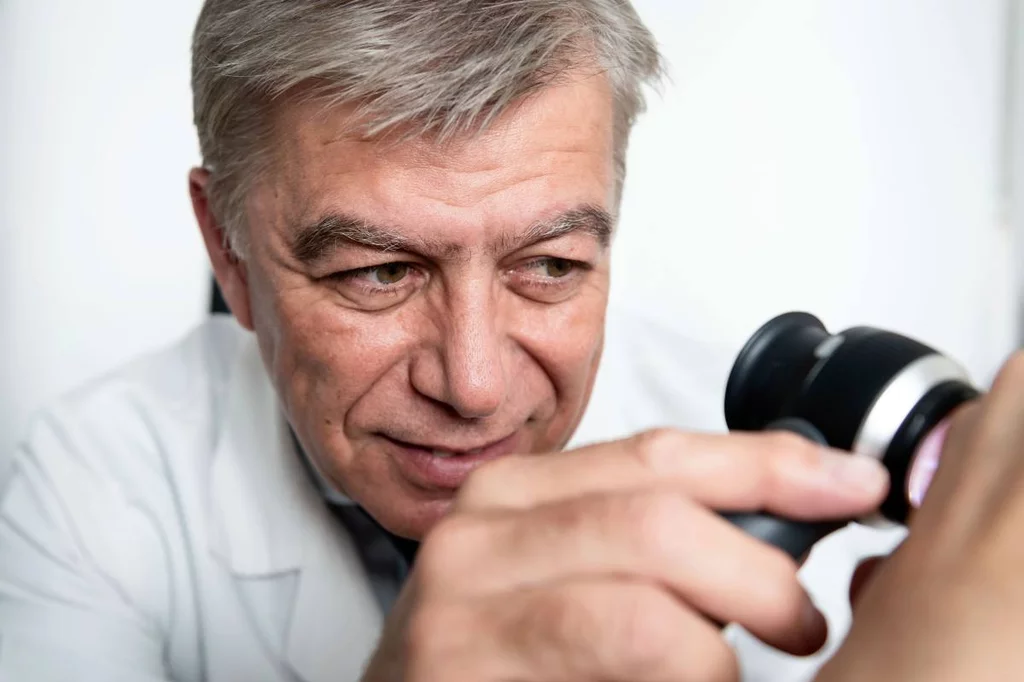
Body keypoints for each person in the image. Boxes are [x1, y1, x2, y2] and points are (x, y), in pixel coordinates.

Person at [1, 1, 1022, 680]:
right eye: (377, 273)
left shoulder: (739, 441)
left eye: (550, 265)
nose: (476, 384)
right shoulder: (91, 488)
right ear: (228, 250)